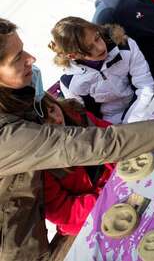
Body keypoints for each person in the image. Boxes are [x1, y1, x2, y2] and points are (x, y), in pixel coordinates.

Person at [0, 18, 154, 261]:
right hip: (29, 241)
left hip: (107, 187)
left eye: (23, 49)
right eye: (17, 58)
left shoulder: (36, 99)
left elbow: (103, 134)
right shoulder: (19, 141)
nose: (31, 59)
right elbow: (101, 144)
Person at [49, 16, 154, 124]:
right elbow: (86, 118)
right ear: (73, 56)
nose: (100, 47)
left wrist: (133, 120)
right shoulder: (70, 82)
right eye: (89, 47)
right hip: (111, 123)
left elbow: (145, 84)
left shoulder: (124, 46)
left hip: (142, 102)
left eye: (97, 38)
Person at [42, 94, 114, 238]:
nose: (57, 119)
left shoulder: (77, 116)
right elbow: (61, 210)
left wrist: (119, 174)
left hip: (114, 179)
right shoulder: (41, 165)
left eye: (52, 110)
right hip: (86, 211)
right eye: (46, 122)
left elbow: (112, 138)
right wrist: (103, 199)